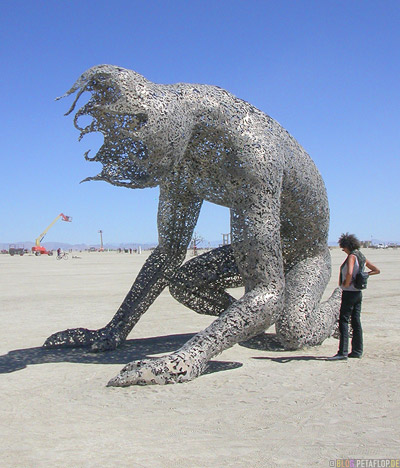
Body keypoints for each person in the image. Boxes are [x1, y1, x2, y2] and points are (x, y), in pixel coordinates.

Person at [329, 233, 380, 360]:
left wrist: (346, 283)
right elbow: (376, 270)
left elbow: (350, 272)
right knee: (356, 321)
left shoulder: (352, 256)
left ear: (347, 246)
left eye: (343, 248)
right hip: (358, 292)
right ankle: (357, 351)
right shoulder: (361, 256)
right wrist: (364, 275)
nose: (343, 250)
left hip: (350, 292)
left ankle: (343, 352)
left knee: (344, 321)